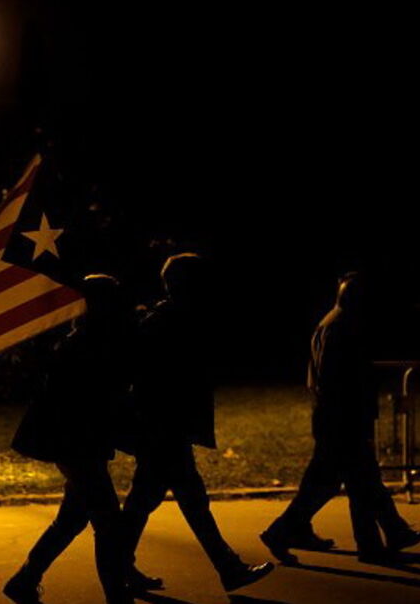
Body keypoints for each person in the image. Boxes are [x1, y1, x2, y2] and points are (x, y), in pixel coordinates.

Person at [120, 253, 274, 593]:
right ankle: (227, 568)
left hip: (162, 428)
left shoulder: (167, 319)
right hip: (164, 428)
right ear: (188, 285)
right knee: (189, 500)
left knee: (146, 500)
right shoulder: (169, 322)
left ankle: (119, 566)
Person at [260, 273, 420, 564]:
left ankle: (381, 537)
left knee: (355, 480)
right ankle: (288, 530)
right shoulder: (341, 328)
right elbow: (335, 380)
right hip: (342, 419)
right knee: (347, 481)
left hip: (337, 417)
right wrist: (353, 412)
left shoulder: (336, 324)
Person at [4, 274, 134, 604]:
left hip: (77, 443)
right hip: (78, 444)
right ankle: (118, 598)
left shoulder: (87, 339)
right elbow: (98, 394)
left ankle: (25, 579)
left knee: (72, 519)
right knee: (109, 526)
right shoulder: (87, 343)